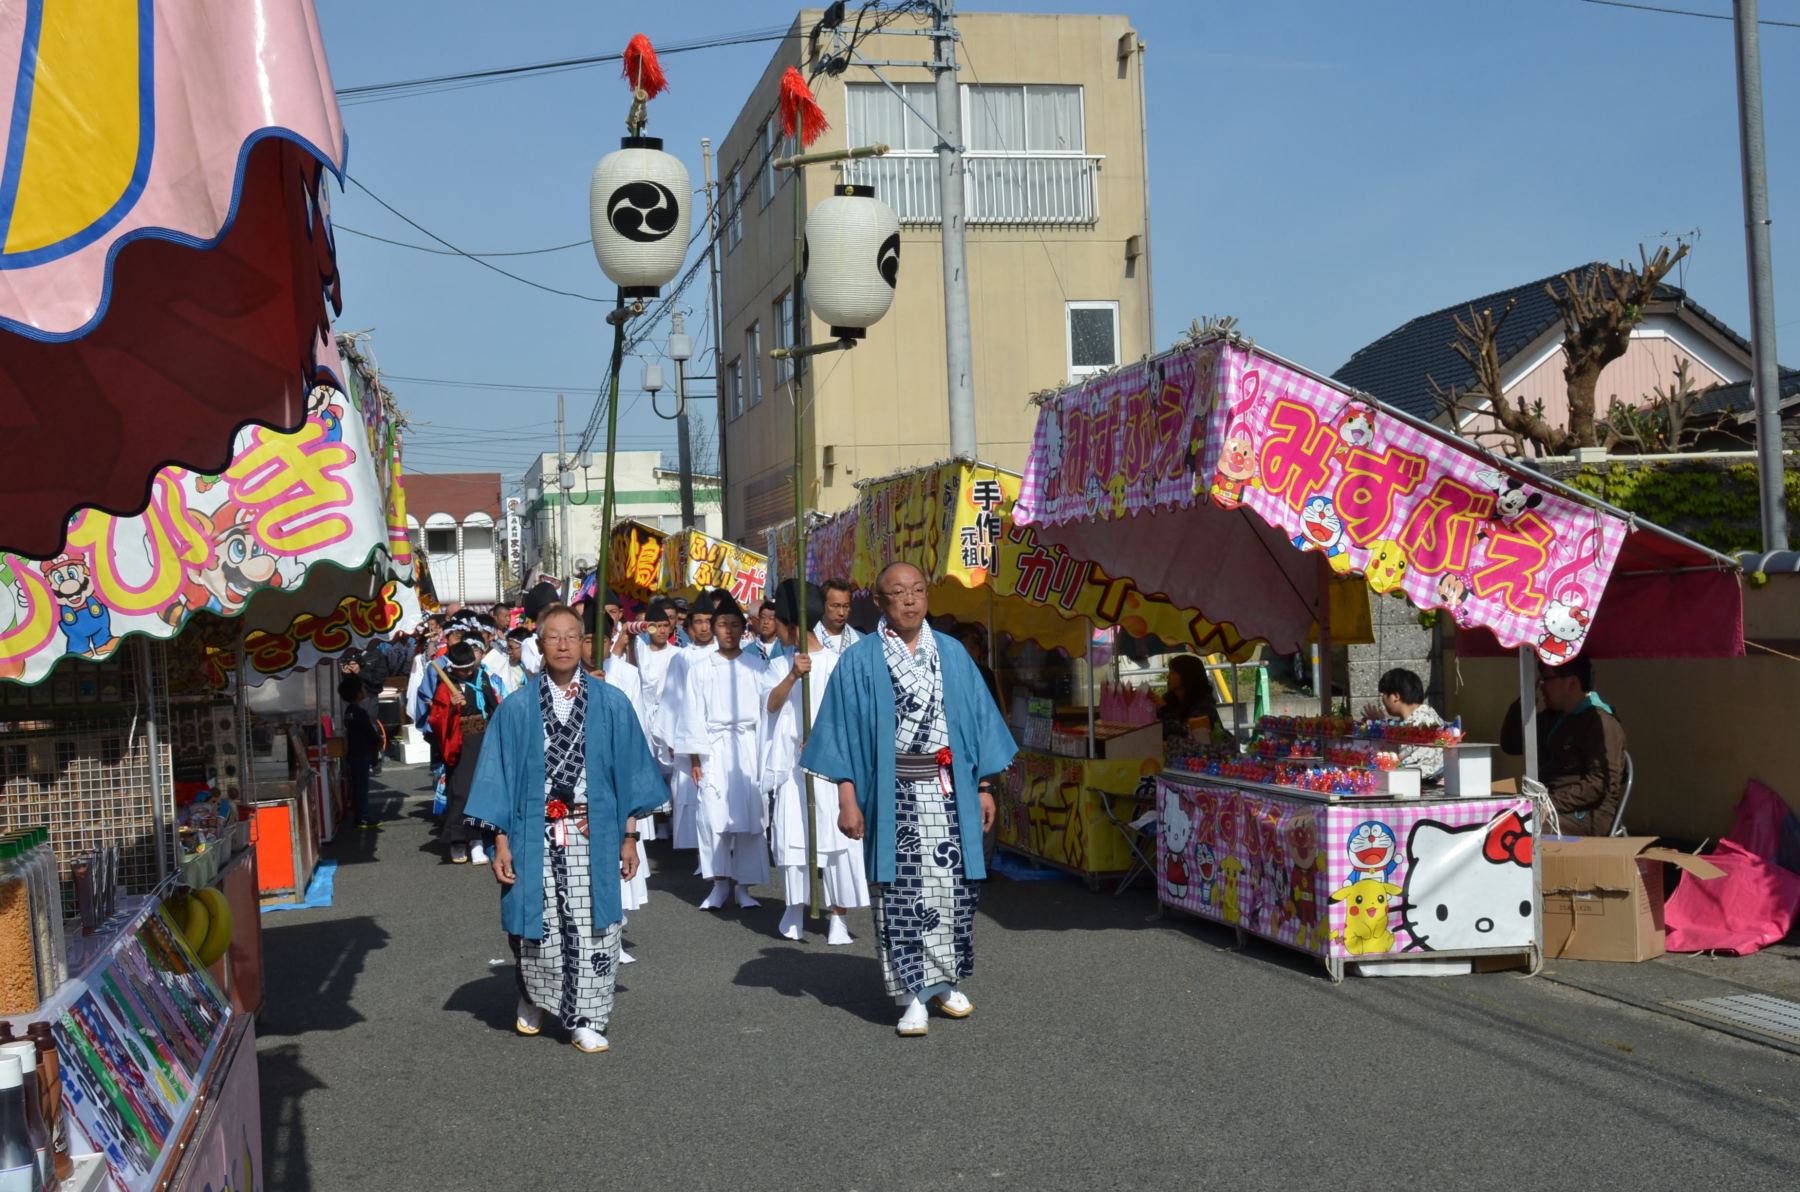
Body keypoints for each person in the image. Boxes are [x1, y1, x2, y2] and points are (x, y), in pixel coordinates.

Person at [803, 562, 1018, 1037]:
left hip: (949, 791)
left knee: (953, 890)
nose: (910, 599)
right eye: (898, 592)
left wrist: (984, 787)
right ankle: (911, 995)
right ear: (880, 602)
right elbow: (841, 733)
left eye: (918, 590)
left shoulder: (952, 653)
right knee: (899, 894)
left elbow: (980, 723)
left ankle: (944, 982)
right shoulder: (860, 659)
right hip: (892, 792)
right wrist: (847, 798)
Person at [463, 604, 664, 1054]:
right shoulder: (516, 709)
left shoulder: (611, 703)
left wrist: (629, 837)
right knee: (536, 925)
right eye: (553, 637)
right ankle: (536, 995)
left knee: (596, 926)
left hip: (594, 832)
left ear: (583, 642)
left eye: (572, 636)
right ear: (539, 644)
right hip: (532, 833)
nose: (563, 644)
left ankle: (587, 1018)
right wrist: (500, 842)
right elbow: (499, 777)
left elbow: (628, 774)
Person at [761, 579, 870, 945]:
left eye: (779, 624)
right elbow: (770, 705)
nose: (776, 630)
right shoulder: (780, 664)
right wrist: (793, 675)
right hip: (795, 768)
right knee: (794, 837)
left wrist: (824, 741)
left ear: (793, 626)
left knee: (838, 843)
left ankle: (838, 916)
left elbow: (853, 718)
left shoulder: (839, 663)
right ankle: (794, 908)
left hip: (832, 769)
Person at [668, 592, 771, 909]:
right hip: (713, 748)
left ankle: (744, 887)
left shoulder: (757, 667)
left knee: (750, 817)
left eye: (734, 625)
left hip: (748, 748)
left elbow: (768, 715)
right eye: (723, 625)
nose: (728, 631)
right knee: (713, 816)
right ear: (714, 628)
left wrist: (766, 756)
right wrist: (695, 758)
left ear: (744, 629)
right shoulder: (700, 668)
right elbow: (691, 714)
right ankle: (719, 883)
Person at [1501, 656, 1627, 836]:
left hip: (1585, 815)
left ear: (1572, 683)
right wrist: (1524, 702)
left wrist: (1549, 804)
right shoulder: (1553, 719)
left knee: (1519, 830)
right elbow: (1511, 745)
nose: (1541, 686)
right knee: (1498, 820)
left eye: (1545, 679)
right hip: (1549, 805)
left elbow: (1599, 783)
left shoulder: (1600, 723)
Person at [428, 641, 503, 865]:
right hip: (459, 742)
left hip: (483, 739)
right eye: (463, 669)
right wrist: (450, 706)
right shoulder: (445, 683)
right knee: (461, 791)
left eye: (471, 667)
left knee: (482, 790)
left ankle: (477, 840)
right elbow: (436, 718)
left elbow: (494, 707)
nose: (468, 672)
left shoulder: (482, 677)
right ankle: (458, 840)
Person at [654, 591, 718, 851]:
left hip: (718, 735)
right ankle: (700, 854)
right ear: (690, 625)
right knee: (691, 793)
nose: (704, 627)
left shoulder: (725, 654)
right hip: (688, 732)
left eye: (709, 621)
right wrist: (671, 738)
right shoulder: (682, 658)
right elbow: (672, 699)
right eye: (699, 621)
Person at [1361, 667, 1446, 781]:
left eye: (1384, 694)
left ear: (1396, 696)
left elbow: (1412, 764)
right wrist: (1380, 724)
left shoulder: (1422, 723)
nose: (1382, 699)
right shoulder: (1420, 716)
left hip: (1422, 783)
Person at [338, 674, 382, 828]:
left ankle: (359, 813)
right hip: (362, 752)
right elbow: (371, 734)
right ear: (358, 693)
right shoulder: (360, 712)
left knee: (356, 785)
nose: (365, 690)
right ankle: (363, 816)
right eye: (362, 688)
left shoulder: (348, 712)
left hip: (352, 752)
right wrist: (378, 742)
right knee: (362, 786)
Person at [1159, 654, 1219, 742]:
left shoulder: (1204, 705)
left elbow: (1186, 731)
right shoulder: (1169, 700)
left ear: (1187, 676)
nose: (1168, 676)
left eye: (1173, 672)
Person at [811, 578, 862, 654]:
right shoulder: (808, 640)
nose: (841, 613)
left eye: (846, 606)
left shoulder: (861, 640)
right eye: (835, 606)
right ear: (822, 605)